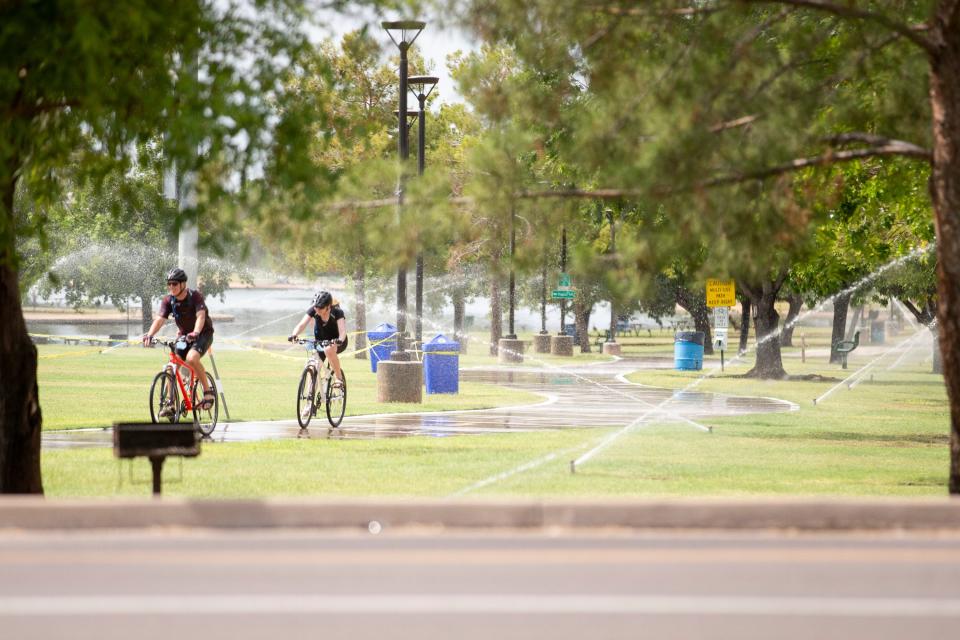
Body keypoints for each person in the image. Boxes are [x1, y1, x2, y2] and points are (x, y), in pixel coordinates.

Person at [142, 267, 216, 416]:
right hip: (183, 337)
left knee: (192, 358)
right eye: (169, 284)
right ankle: (171, 404)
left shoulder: (195, 296)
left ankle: (208, 392)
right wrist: (149, 334)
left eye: (174, 284)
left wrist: (195, 332)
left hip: (203, 334)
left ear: (183, 284)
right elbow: (160, 319)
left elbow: (201, 316)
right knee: (172, 364)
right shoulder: (168, 300)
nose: (171, 287)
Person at [288, 290, 347, 388]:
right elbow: (302, 324)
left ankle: (338, 378)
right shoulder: (314, 310)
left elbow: (342, 331)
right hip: (321, 341)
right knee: (315, 366)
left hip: (337, 341)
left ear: (328, 307)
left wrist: (339, 340)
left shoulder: (337, 312)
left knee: (329, 349)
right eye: (316, 307)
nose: (317, 309)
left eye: (320, 308)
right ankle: (310, 399)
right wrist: (294, 334)